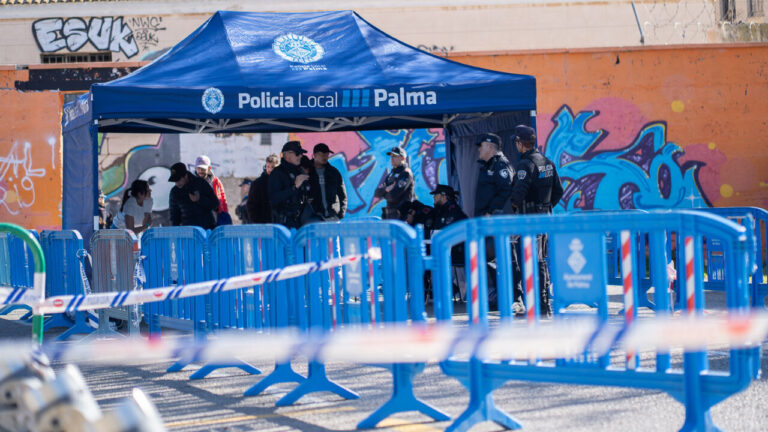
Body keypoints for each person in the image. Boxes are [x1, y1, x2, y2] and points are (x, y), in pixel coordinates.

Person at [509, 124, 564, 317]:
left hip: (529, 221)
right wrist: (545, 207)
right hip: (544, 219)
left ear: (520, 144)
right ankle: (543, 305)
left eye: (516, 142)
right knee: (540, 261)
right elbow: (559, 191)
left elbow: (517, 195)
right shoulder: (547, 162)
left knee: (532, 262)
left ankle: (539, 307)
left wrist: (514, 212)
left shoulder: (525, 164)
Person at [474, 133, 522, 314]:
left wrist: (491, 211)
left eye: (481, 145)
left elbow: (506, 190)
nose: (479, 149)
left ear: (490, 146)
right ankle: (504, 297)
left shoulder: (501, 164)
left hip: (498, 222)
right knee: (492, 262)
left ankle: (516, 299)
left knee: (507, 260)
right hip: (488, 224)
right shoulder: (487, 166)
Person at [268, 141, 310, 229]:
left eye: (301, 153)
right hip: (284, 225)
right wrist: (294, 187)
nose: (300, 156)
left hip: (300, 223)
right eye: (297, 153)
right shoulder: (277, 173)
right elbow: (273, 199)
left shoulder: (299, 171)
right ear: (287, 155)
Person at [168, 162, 219, 230]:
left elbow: (215, 203)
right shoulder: (175, 192)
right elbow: (174, 216)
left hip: (207, 229)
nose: (177, 183)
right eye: (175, 181)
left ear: (185, 176)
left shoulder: (200, 183)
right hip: (188, 232)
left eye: (178, 180)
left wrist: (200, 199)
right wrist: (176, 232)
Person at [308, 143, 347, 221]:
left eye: (327, 154)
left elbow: (342, 194)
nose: (325, 157)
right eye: (322, 154)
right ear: (314, 155)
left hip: (333, 216)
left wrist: (341, 213)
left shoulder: (334, 172)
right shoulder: (306, 171)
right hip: (313, 217)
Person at [374, 146, 414, 219]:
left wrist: (384, 194)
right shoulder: (391, 174)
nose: (392, 159)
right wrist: (386, 190)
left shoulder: (405, 173)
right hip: (390, 214)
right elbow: (377, 193)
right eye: (391, 156)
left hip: (402, 216)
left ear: (403, 158)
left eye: (395, 156)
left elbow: (393, 196)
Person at [195, 155, 232, 226]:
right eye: (198, 168)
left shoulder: (216, 182)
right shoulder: (192, 182)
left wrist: (225, 216)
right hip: (198, 221)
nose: (200, 171)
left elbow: (223, 200)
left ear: (209, 168)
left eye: (203, 169)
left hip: (216, 219)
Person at [247, 154, 279, 224]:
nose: (270, 169)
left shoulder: (283, 181)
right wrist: (257, 221)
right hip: (263, 224)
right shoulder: (257, 184)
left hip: (280, 224)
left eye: (273, 167)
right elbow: (251, 205)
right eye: (268, 167)